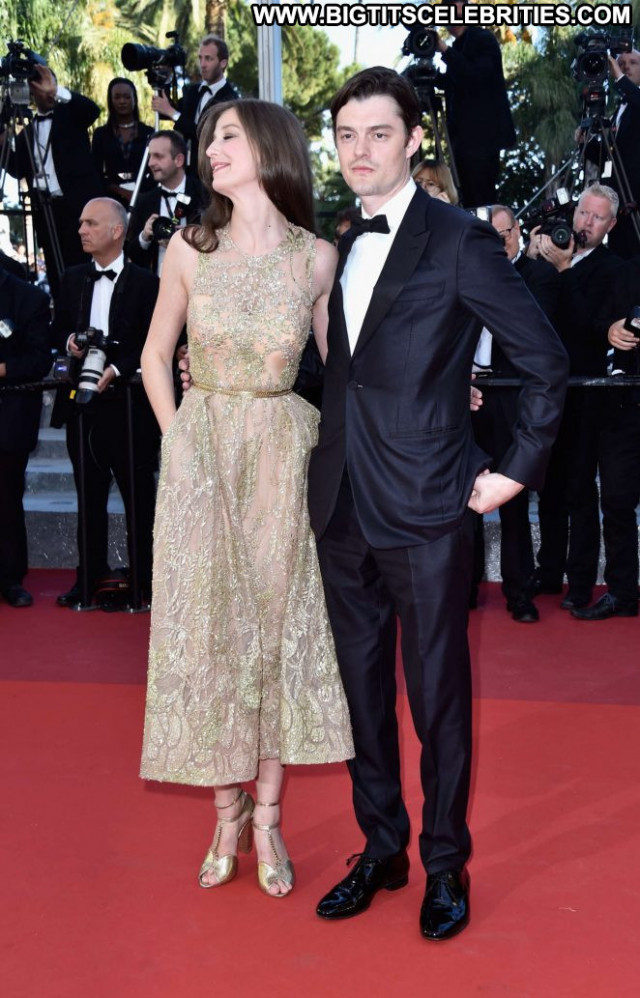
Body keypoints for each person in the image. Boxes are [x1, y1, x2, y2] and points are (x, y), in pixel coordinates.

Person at [308, 67, 567, 941]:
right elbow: (349, 373)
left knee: (438, 699)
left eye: (379, 134)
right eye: (347, 136)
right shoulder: (343, 237)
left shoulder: (460, 239)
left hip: (426, 507)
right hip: (341, 502)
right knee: (361, 695)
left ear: (414, 138)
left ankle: (446, 862)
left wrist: (514, 471)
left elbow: (545, 360)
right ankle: (382, 847)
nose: (360, 151)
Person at [139, 100, 353, 898]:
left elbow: (344, 371)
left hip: (283, 460)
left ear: (269, 145)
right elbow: (155, 356)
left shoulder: (316, 260)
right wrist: (179, 442)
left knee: (272, 634)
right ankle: (223, 812)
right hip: (203, 455)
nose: (211, 150)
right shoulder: (190, 248)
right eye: (209, 140)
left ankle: (267, 819)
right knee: (209, 636)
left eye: (227, 136)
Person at [51, 198, 159, 608]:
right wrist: (70, 342)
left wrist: (117, 367)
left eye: (91, 223)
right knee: (87, 497)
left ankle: (145, 581)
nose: (81, 230)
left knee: (139, 498)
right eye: (81, 223)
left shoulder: (147, 283)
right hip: (83, 406)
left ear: (117, 231)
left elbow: (154, 339)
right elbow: (57, 329)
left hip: (130, 408)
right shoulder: (72, 278)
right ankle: (89, 578)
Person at [528, 184, 621, 610]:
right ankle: (548, 573)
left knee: (580, 488)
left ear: (610, 225)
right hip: (544, 388)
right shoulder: (547, 257)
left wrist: (564, 271)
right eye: (583, 212)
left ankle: (581, 583)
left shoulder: (612, 269)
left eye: (597, 217)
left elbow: (591, 328)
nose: (586, 223)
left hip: (584, 392)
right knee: (546, 485)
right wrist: (534, 261)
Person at [471, 205, 560, 621]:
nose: (499, 243)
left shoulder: (537, 276)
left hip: (512, 399)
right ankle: (464, 587)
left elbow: (539, 343)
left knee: (513, 500)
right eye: (489, 236)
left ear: (518, 232)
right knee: (460, 496)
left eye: (504, 234)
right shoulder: (464, 275)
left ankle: (519, 593)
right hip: (468, 397)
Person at [571, 255, 640, 621]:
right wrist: (610, 329)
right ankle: (622, 593)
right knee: (616, 502)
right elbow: (592, 324)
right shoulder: (621, 271)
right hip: (623, 407)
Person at [0, 64, 104, 296]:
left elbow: (92, 110)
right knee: (56, 272)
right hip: (44, 208)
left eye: (47, 86)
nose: (44, 92)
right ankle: (60, 308)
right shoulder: (28, 131)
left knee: (80, 264)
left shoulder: (71, 118)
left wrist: (56, 91)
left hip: (75, 207)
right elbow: (17, 168)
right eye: (38, 88)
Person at [0, 265, 52, 607]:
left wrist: (2, 369)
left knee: (6, 496)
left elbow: (39, 359)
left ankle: (10, 578)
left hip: (9, 416)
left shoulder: (28, 297)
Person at [437, 2, 515, 207]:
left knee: (481, 201)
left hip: (481, 139)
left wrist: (444, 49)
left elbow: (476, 77)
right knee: (467, 200)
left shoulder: (482, 39)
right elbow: (455, 84)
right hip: (462, 139)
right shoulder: (458, 46)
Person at [126, 131, 208, 275]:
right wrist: (144, 237)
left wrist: (193, 237)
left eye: (158, 156)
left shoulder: (205, 195)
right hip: (157, 283)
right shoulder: (144, 201)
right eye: (150, 156)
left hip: (198, 279)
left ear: (179, 160)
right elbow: (132, 256)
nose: (150, 163)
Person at [151, 34, 239, 166]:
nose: (202, 64)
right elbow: (166, 111)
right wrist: (166, 76)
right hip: (187, 168)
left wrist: (172, 113)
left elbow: (206, 134)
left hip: (212, 168)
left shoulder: (230, 99)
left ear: (223, 63)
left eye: (208, 59)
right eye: (200, 58)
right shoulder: (194, 91)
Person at [91, 78, 154, 206]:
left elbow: (155, 169)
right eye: (117, 97)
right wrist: (120, 191)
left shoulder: (148, 133)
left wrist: (139, 193)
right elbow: (96, 171)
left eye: (127, 97)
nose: (122, 101)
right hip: (110, 199)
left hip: (143, 197)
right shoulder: (101, 134)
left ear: (134, 99)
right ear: (110, 100)